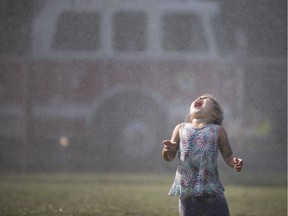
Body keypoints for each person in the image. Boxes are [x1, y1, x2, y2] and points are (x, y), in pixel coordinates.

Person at [162, 94, 243, 216]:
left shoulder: (218, 130)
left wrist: (234, 161)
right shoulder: (180, 128)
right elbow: (169, 157)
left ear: (214, 114)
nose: (200, 98)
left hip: (211, 189)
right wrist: (167, 150)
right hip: (187, 190)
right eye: (198, 97)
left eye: (205, 98)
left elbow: (228, 155)